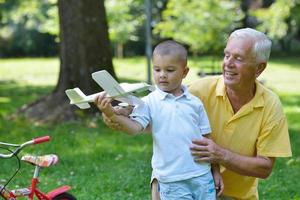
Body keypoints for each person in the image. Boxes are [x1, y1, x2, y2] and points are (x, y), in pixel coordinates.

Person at [100, 28, 292, 200]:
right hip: (182, 184)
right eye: (226, 55)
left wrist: (221, 155)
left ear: (259, 68)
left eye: (238, 58)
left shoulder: (270, 105)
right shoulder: (200, 90)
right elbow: (160, 114)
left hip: (235, 196)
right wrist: (124, 113)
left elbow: (265, 168)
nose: (228, 64)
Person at [95, 40, 223, 199]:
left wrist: (215, 170)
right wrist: (112, 115)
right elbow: (134, 128)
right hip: (172, 180)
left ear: (184, 72)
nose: (162, 74)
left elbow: (207, 138)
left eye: (169, 70)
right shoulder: (149, 102)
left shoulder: (195, 103)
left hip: (202, 176)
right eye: (157, 69)